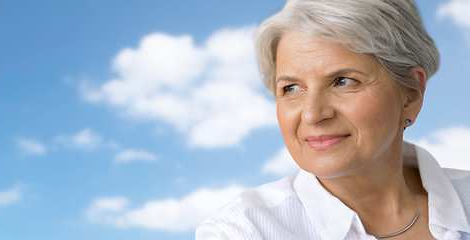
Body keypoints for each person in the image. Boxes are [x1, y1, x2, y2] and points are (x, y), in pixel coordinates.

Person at [195, 0, 470, 239]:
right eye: (291, 88)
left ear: (410, 94)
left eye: (343, 81)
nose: (313, 114)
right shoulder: (241, 231)